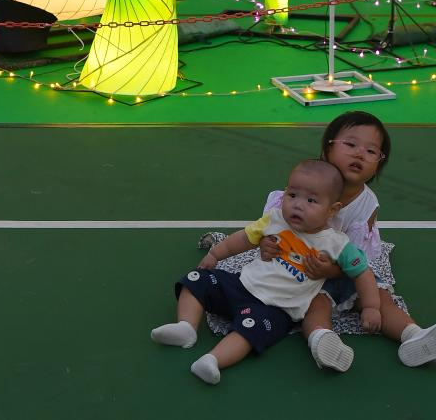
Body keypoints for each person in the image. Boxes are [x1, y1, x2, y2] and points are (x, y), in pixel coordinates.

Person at [260, 110, 436, 372]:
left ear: (379, 163)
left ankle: (414, 335)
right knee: (316, 304)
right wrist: (268, 243)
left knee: (380, 297)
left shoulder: (367, 204)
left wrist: (341, 278)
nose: (359, 154)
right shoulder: (307, 184)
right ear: (327, 149)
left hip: (345, 268)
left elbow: (358, 259)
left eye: (371, 151)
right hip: (299, 267)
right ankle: (322, 339)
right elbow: (275, 225)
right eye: (350, 145)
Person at [151, 158, 381, 385]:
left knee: (249, 329)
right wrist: (214, 255)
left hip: (276, 309)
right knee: (197, 279)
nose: (298, 205)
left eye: (311, 200)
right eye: (292, 195)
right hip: (242, 285)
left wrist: (371, 306)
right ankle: (186, 327)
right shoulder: (275, 219)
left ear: (332, 209)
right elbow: (243, 239)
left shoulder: (338, 244)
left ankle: (212, 360)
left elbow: (362, 272)